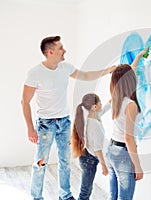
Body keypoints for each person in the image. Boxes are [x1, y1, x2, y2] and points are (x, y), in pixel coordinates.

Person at [21, 35, 116, 200]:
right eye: (60, 48)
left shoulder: (65, 68)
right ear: (50, 52)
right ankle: (36, 196)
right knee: (40, 163)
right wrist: (30, 128)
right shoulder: (35, 73)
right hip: (45, 125)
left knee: (65, 162)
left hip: (64, 123)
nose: (64, 50)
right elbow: (25, 101)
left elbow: (85, 75)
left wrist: (107, 71)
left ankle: (64, 195)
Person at [107, 49, 146, 200]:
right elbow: (128, 138)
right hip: (123, 153)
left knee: (113, 196)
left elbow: (128, 74)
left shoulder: (115, 98)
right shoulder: (130, 105)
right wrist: (138, 166)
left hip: (111, 149)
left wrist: (138, 57)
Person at [72, 93, 110, 200]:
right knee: (86, 191)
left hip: (85, 157)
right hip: (89, 160)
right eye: (100, 103)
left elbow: (104, 110)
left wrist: (113, 98)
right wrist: (104, 165)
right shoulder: (95, 125)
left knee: (86, 189)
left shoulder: (90, 118)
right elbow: (98, 149)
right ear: (94, 107)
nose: (101, 104)